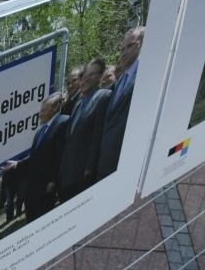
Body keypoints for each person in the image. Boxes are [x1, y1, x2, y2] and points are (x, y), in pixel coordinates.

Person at [2, 92, 69, 223]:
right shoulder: (40, 131)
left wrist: (52, 180)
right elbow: (35, 157)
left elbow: (60, 155)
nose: (40, 113)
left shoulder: (63, 123)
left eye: (44, 110)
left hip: (47, 187)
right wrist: (17, 164)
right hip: (33, 186)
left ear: (55, 108)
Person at [58, 58, 111, 201]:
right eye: (86, 74)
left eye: (92, 74)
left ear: (100, 76)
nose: (87, 78)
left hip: (83, 175)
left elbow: (97, 134)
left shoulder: (104, 97)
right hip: (66, 175)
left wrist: (89, 168)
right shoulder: (78, 103)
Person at [96, 26, 145, 179]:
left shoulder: (145, 75)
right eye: (122, 48)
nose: (124, 52)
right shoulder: (120, 81)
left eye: (130, 46)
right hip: (107, 164)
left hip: (128, 166)